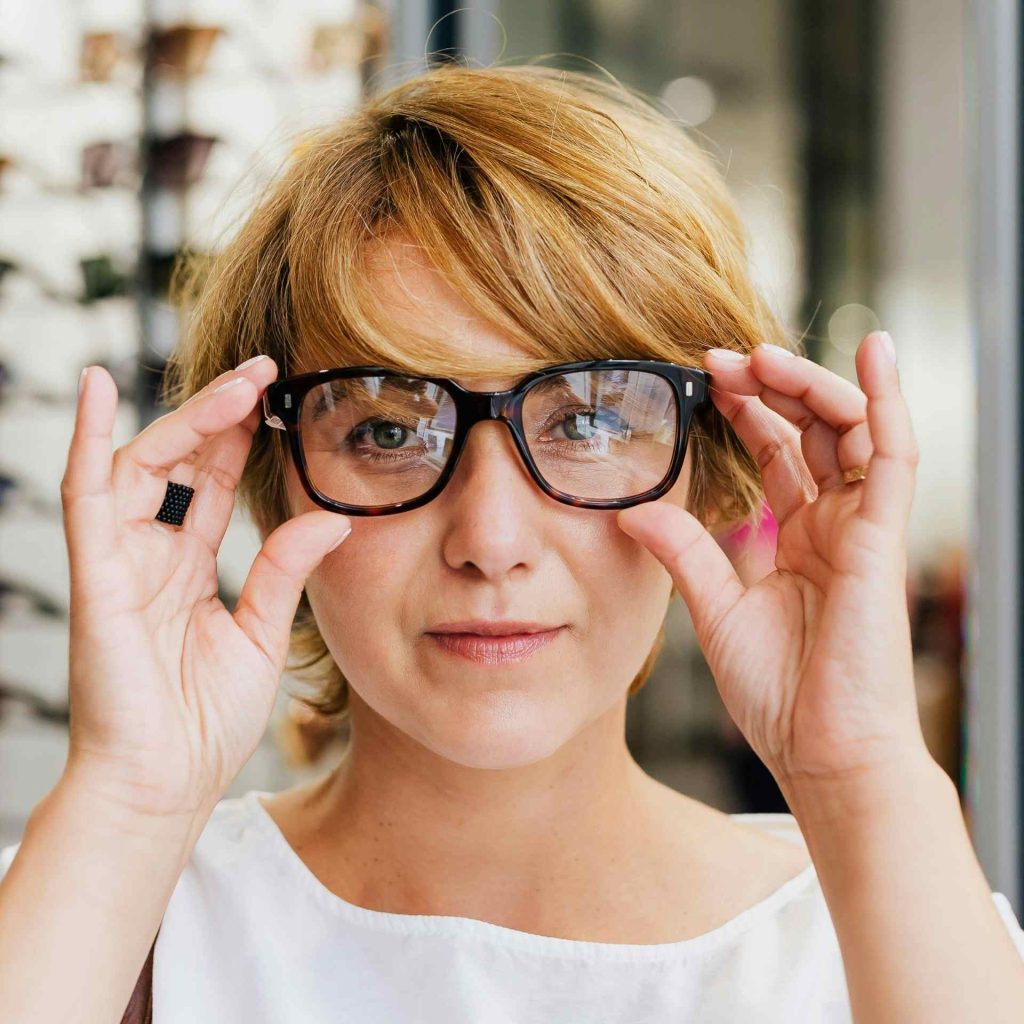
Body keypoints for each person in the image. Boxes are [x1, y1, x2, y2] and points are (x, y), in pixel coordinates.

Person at [1, 63, 1022, 1023]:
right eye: (388, 432)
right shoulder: (89, 910)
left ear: (711, 471)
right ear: (270, 488)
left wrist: (862, 774)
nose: (490, 541)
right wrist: (129, 797)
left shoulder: (887, 926)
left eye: (589, 421)